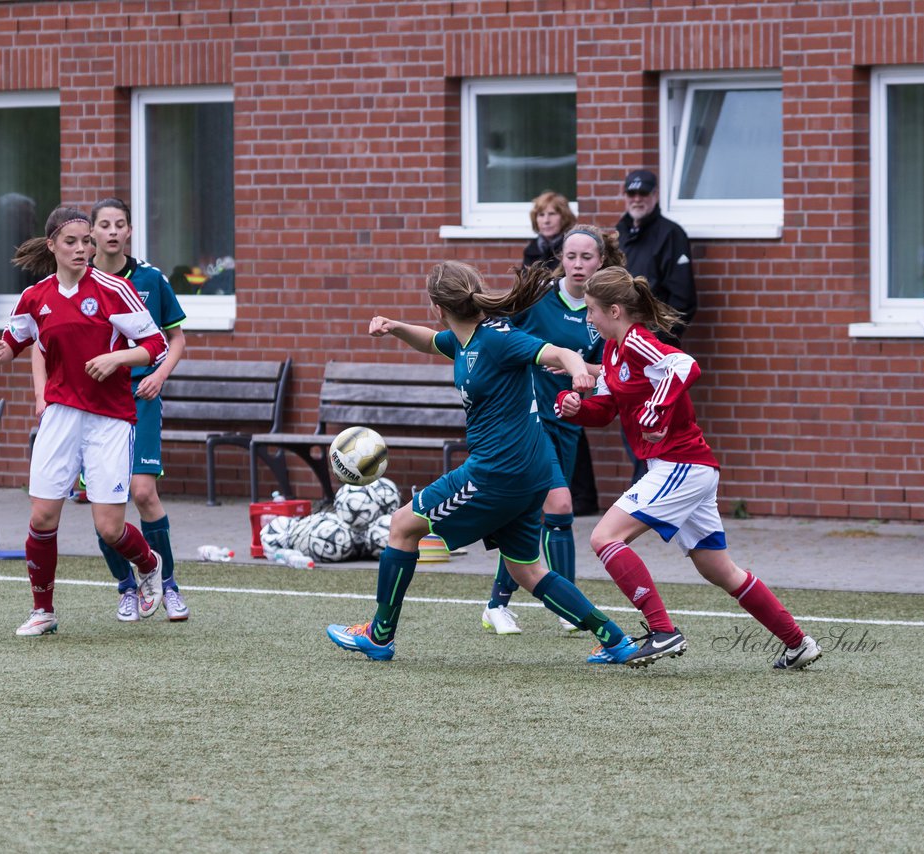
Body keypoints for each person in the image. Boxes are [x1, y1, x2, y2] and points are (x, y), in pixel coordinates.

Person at [327, 260, 647, 666]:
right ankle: (615, 640)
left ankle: (379, 636)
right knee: (526, 570)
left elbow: (558, 351)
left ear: (437, 305)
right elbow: (432, 341)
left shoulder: (497, 341)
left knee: (401, 526)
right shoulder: (465, 339)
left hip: (496, 473)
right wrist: (395, 327)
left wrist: (577, 371)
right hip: (528, 474)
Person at [556, 267, 822, 670]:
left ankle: (663, 631)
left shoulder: (638, 342)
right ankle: (798, 643)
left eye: (592, 311)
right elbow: (607, 409)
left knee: (605, 537)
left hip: (680, 464)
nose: (588, 319)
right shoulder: (611, 352)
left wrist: (656, 407)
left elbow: (684, 366)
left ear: (614, 310)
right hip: (684, 468)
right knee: (719, 570)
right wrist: (574, 407)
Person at [0, 205, 170, 636]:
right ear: (52, 246)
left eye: (86, 241)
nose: (82, 248)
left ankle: (148, 562)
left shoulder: (112, 290)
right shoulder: (36, 296)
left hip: (109, 419)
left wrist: (117, 356)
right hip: (61, 416)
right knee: (43, 517)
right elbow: (15, 342)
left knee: (108, 528)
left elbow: (156, 345)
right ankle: (43, 611)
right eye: (72, 242)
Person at [32, 198, 189, 622]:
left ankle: (167, 582)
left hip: (139, 397)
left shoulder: (149, 280)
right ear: (91, 234)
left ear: (130, 231)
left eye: (121, 224)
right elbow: (41, 342)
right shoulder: (67, 285)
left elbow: (170, 340)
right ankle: (125, 586)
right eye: (104, 225)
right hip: (84, 407)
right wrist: (42, 396)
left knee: (141, 492)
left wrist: (159, 374)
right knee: (102, 500)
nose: (112, 232)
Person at [481, 225, 621, 635]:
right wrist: (534, 356)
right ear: (561, 257)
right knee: (557, 508)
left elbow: (605, 372)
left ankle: (497, 604)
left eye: (587, 258)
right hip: (525, 419)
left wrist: (576, 365)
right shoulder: (537, 296)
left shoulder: (601, 312)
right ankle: (568, 607)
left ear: (601, 262)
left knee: (536, 514)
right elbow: (498, 336)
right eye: (571, 256)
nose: (578, 265)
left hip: (568, 421)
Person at [615, 170, 696, 332]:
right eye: (632, 193)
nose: (637, 199)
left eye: (643, 193)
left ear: (655, 195)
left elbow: (683, 299)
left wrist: (662, 337)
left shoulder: (671, 234)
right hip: (622, 335)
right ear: (624, 196)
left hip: (654, 338)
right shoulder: (620, 234)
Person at [521, 191, 576, 271]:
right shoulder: (530, 250)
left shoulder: (572, 248)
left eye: (552, 214)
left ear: (564, 217)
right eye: (541, 215)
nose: (546, 221)